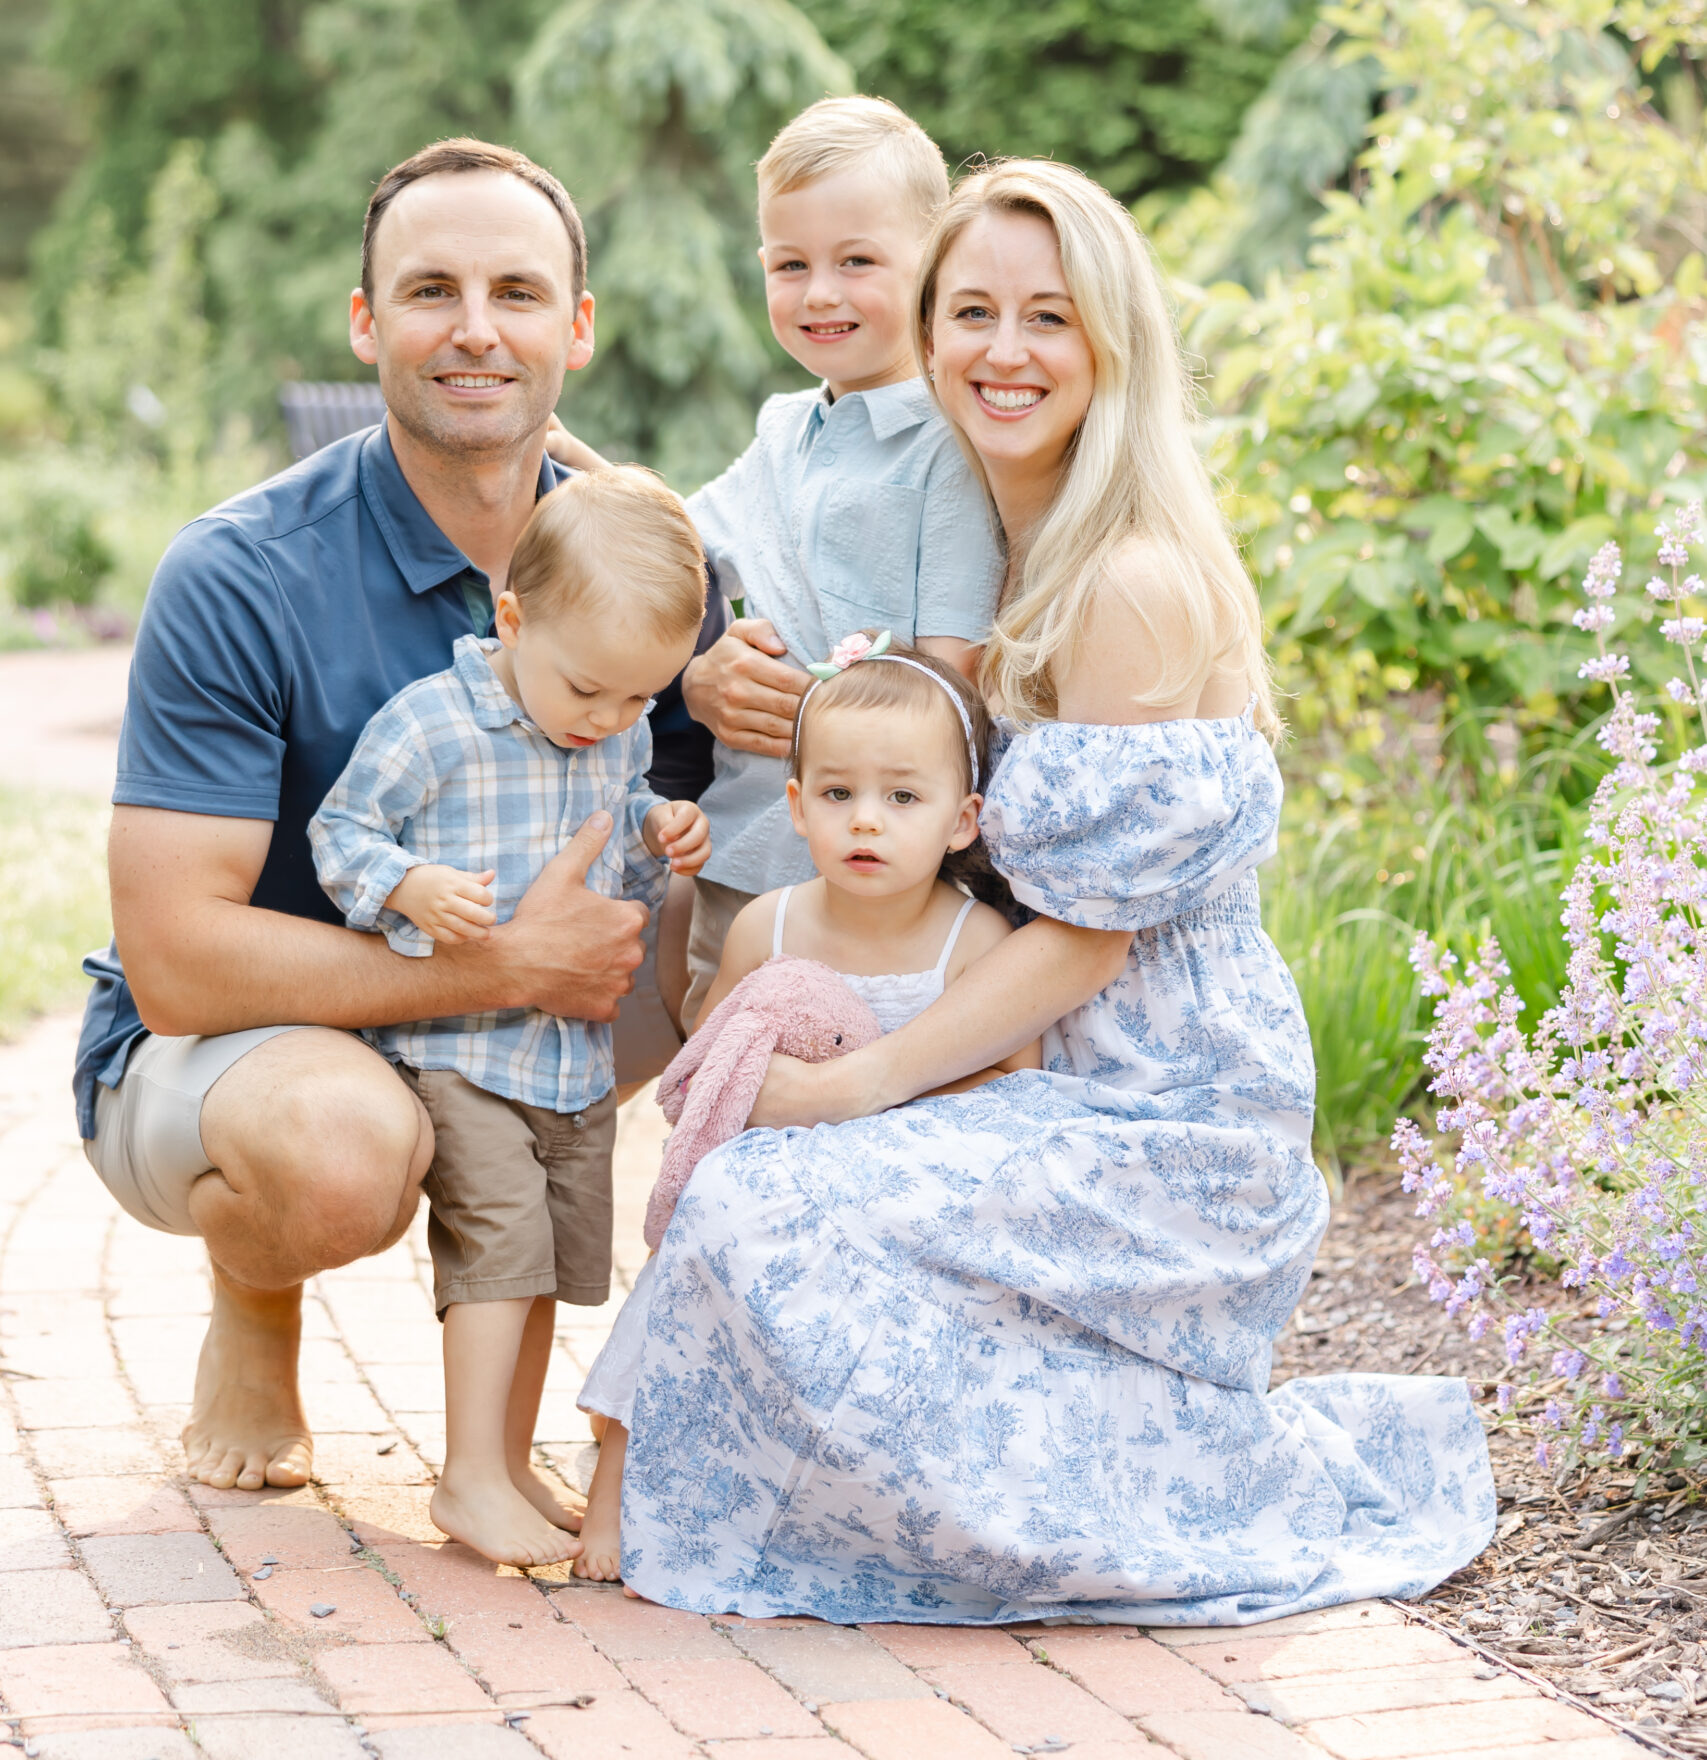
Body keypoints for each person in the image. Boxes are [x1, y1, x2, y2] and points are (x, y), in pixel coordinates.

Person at [617, 158, 1497, 1624]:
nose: (1002, 352)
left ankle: (1024, 1522)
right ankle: (887, 1503)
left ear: (1109, 344)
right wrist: (705, 673)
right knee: (739, 1186)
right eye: (969, 311)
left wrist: (863, 1086)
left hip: (1161, 1100)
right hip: (1026, 1053)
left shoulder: (1125, 581)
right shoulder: (978, 537)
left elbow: (1091, 939)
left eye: (1047, 317)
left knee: (769, 1205)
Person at [75, 138, 718, 1494]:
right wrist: (496, 964)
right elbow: (176, 961)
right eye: (430, 291)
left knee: (766, 942)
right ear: (366, 323)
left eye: (518, 294)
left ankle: (556, 1434)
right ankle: (253, 1308)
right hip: (259, 1050)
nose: (475, 328)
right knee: (339, 1155)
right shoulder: (241, 572)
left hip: (527, 1033)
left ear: (576, 329)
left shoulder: (644, 568)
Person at [569, 634, 1040, 1581]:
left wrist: (871, 1110)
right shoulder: (767, 925)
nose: (866, 821)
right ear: (796, 807)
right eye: (837, 795)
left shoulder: (974, 937)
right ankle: (613, 1488)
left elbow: (1010, 1090)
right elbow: (720, 1064)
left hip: (907, 1197)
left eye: (902, 798)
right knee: (688, 1258)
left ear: (962, 818)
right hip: (779, 1188)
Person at [309, 468, 711, 1569]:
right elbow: (340, 832)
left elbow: (609, 840)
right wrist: (406, 885)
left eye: (641, 699)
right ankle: (467, 1475)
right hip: (464, 1052)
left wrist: (657, 824)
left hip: (569, 1058)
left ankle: (507, 1454)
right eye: (591, 690)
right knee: (495, 1254)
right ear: (513, 617)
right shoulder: (433, 725)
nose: (612, 720)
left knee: (545, 1263)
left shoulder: (612, 729)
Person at [654, 94, 1005, 1028]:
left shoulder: (945, 445)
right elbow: (671, 537)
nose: (819, 293)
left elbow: (948, 677)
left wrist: (827, 711)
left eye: (857, 261)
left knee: (865, 1088)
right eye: (790, 264)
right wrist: (579, 471)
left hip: (878, 869)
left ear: (931, 263)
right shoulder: (783, 430)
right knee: (727, 1069)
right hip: (750, 839)